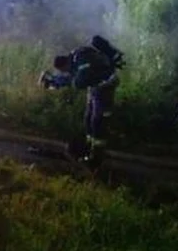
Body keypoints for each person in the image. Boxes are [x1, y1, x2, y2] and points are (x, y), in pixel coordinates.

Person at [40, 35, 124, 164]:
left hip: (105, 88)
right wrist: (55, 81)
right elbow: (73, 77)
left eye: (64, 70)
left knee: (98, 122)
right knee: (88, 118)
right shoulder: (75, 58)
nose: (66, 72)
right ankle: (89, 149)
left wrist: (55, 82)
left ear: (65, 64)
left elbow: (79, 82)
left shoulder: (81, 61)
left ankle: (96, 158)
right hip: (96, 87)